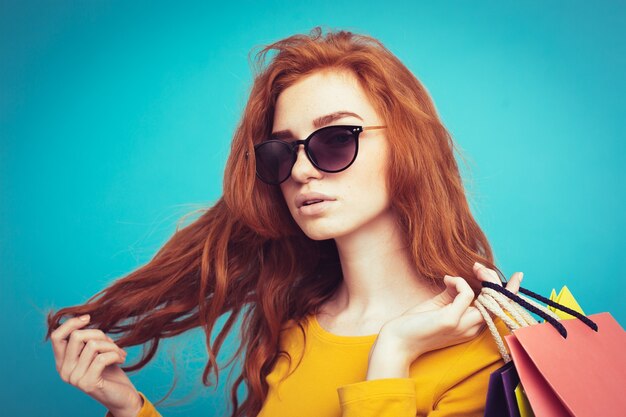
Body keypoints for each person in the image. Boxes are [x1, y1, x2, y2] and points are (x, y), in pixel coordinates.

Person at [45, 26, 523, 417]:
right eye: (281, 151)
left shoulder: (479, 352)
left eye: (336, 138)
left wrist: (392, 356)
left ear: (408, 147)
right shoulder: (296, 329)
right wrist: (129, 408)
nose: (299, 170)